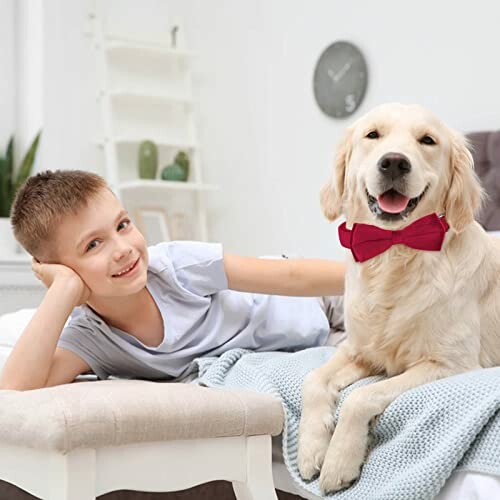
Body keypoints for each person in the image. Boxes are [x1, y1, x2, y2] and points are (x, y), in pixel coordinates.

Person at [0, 170, 346, 391]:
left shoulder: (176, 265)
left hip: (319, 301)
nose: (123, 249)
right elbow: (15, 389)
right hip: (320, 342)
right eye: (93, 245)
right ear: (58, 269)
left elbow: (290, 276)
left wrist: (369, 279)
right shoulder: (93, 338)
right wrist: (62, 288)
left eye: (122, 225)